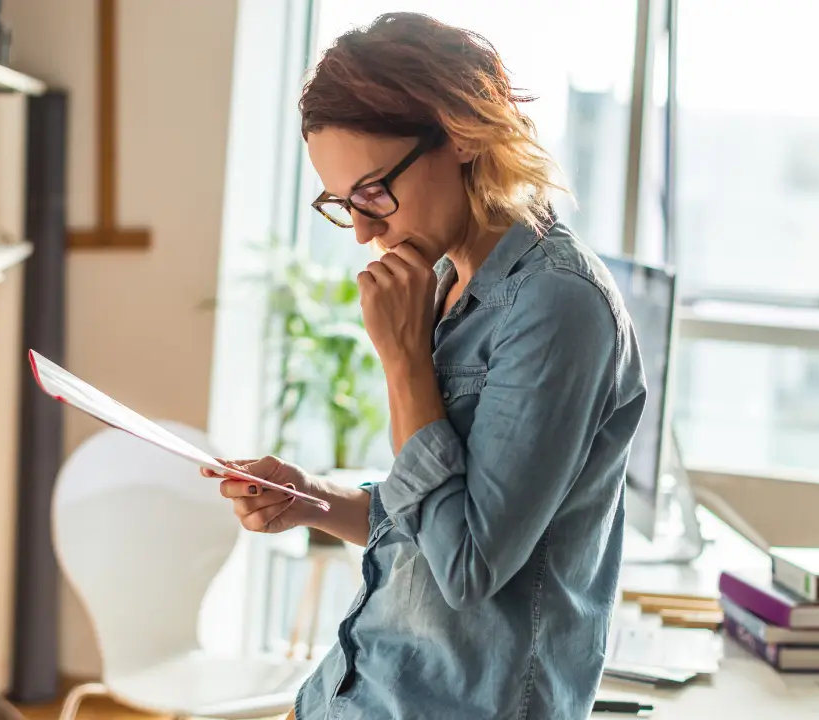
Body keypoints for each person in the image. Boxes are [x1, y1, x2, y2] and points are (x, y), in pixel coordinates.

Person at [205, 12, 646, 720]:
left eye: (374, 192)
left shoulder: (557, 307)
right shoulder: (444, 279)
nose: (362, 230)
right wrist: (309, 498)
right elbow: (429, 519)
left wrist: (405, 360)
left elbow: (466, 565)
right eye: (342, 203)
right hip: (357, 690)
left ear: (463, 133)